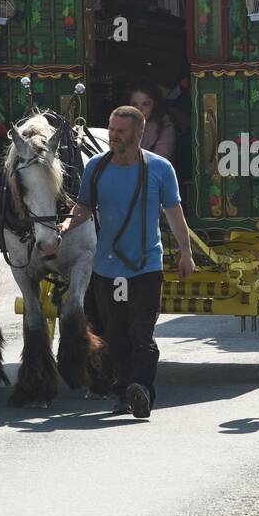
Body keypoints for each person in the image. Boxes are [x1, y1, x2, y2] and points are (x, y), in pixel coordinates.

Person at [59, 105, 195, 419]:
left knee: (141, 332)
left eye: (121, 131)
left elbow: (175, 214)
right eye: (112, 129)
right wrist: (66, 226)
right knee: (115, 334)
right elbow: (83, 207)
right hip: (107, 269)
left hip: (146, 267)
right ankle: (123, 393)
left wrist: (186, 252)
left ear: (138, 134)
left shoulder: (160, 169)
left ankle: (142, 389)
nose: (114, 136)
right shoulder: (95, 167)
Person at [127, 81, 177, 162]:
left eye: (145, 104)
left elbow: (158, 162)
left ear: (155, 105)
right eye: (134, 104)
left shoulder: (164, 128)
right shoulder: (121, 126)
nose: (139, 109)